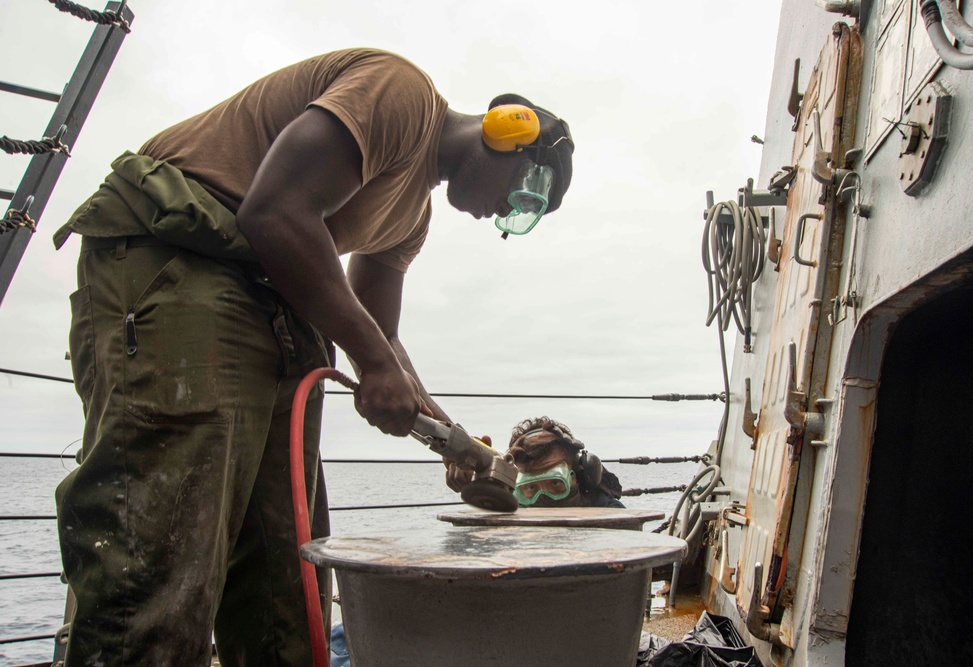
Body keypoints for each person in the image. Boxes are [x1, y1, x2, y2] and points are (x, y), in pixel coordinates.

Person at [51, 48, 573, 666]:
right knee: (161, 558)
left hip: (271, 307)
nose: (505, 217)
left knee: (285, 577)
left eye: (523, 217)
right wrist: (376, 365)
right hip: (183, 258)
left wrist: (460, 449)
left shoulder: (410, 219)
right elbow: (276, 210)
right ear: (508, 131)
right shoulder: (401, 94)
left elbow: (381, 338)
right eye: (524, 197)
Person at [447, 416, 624, 508]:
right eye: (531, 488)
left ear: (579, 475)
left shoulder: (608, 512)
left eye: (555, 483)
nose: (544, 497)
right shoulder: (516, 511)